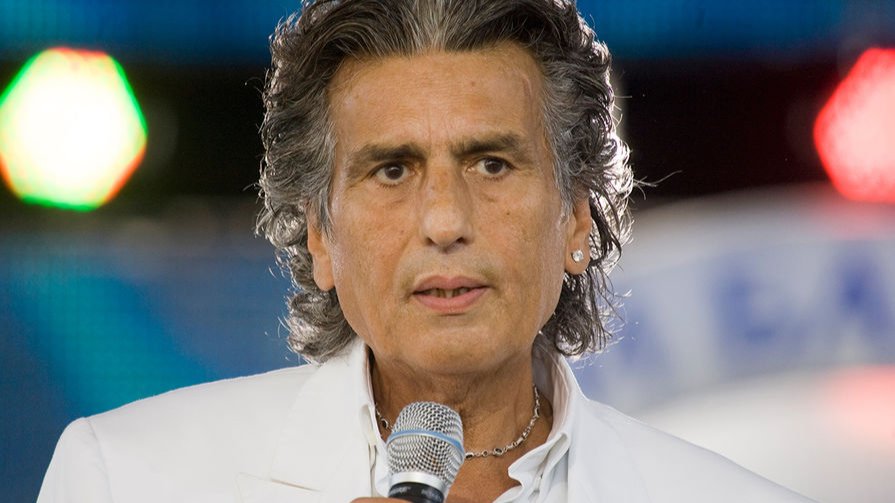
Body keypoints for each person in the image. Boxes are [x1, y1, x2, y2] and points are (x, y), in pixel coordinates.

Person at [38, 1, 812, 501]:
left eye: (491, 164)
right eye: (392, 169)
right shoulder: (126, 476)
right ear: (319, 236)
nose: (444, 219)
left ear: (577, 218)